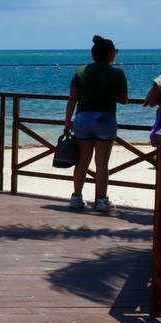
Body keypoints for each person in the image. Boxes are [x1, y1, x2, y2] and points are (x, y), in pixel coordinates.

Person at [64, 35, 128, 212]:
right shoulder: (117, 73)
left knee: (82, 161)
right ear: (109, 54)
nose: (115, 54)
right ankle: (101, 200)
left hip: (82, 119)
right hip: (104, 119)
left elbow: (72, 98)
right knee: (102, 163)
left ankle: (76, 197)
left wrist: (67, 121)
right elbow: (124, 99)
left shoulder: (80, 71)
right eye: (115, 51)